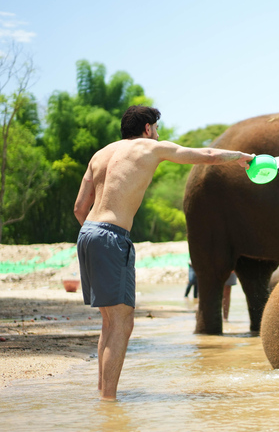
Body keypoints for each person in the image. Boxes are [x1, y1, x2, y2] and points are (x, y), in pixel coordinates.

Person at [74, 105, 254, 401]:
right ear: (147, 128)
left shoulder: (100, 154)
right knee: (122, 323)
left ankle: (102, 396)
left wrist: (95, 236)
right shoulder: (151, 148)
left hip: (88, 234)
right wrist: (241, 156)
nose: (158, 134)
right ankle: (109, 402)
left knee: (109, 322)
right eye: (156, 128)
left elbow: (80, 208)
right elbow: (208, 155)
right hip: (111, 236)